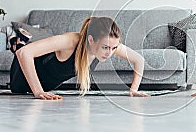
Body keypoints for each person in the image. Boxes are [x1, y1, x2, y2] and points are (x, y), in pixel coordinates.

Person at [9, 17, 148, 100]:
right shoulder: (70, 41)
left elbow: (139, 60)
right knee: (21, 50)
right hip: (22, 75)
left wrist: (133, 90)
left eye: (114, 48)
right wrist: (38, 92)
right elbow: (24, 54)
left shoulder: (108, 45)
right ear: (91, 40)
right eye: (105, 48)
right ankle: (18, 43)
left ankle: (19, 42)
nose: (110, 53)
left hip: (48, 85)